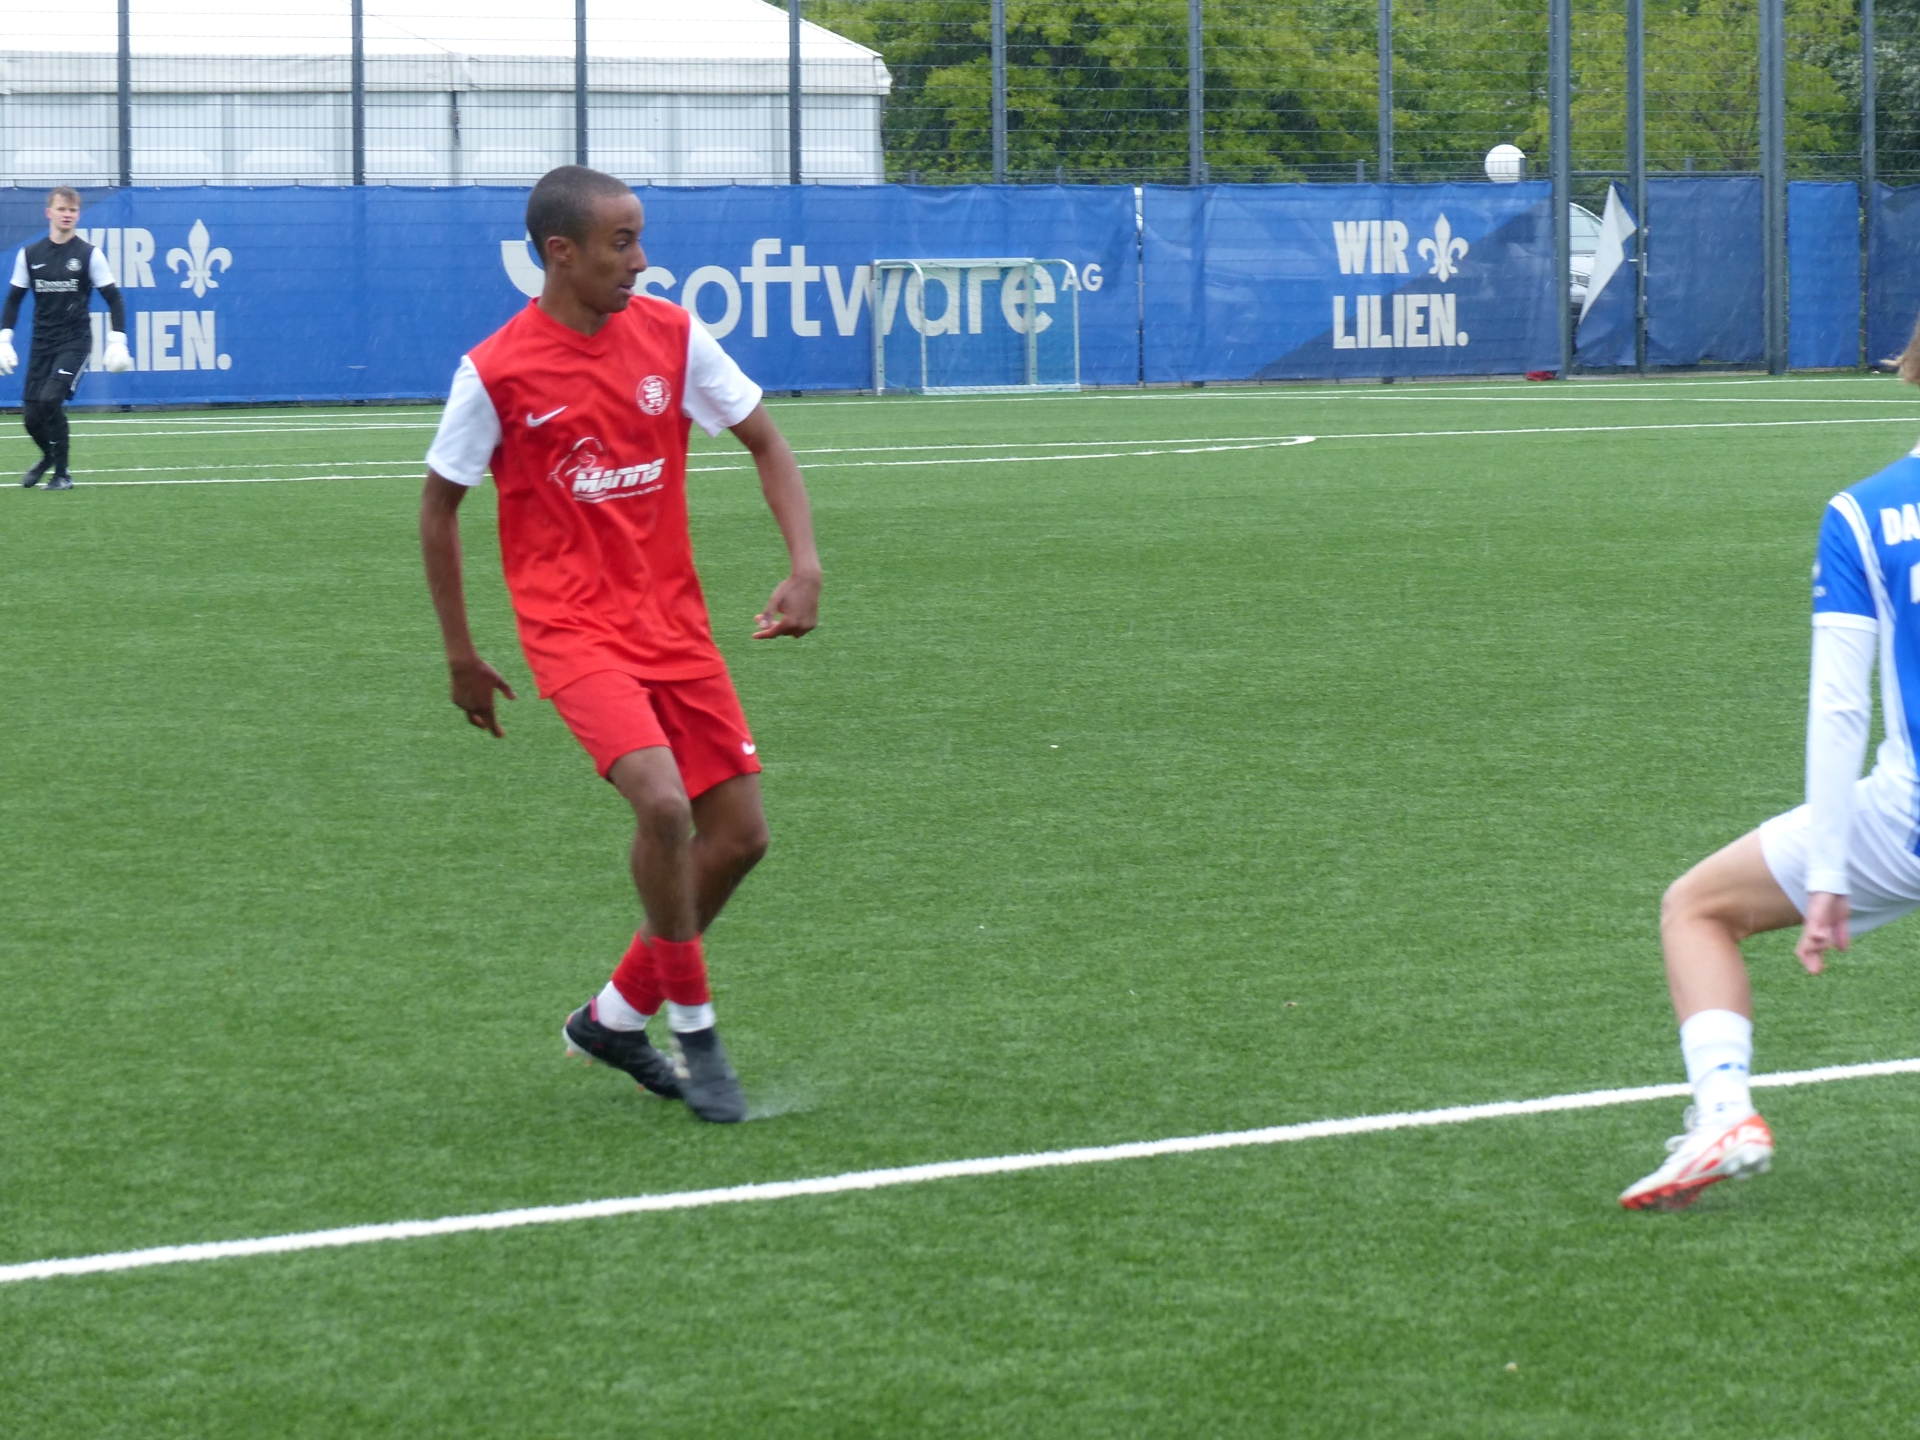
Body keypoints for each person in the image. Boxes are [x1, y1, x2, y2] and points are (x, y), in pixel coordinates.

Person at [418, 166, 821, 1124]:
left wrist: (805, 564)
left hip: (674, 627)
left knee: (742, 837)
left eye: (639, 239)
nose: (641, 261)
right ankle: (696, 1034)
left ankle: (612, 1019)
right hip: (572, 632)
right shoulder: (497, 371)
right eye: (621, 243)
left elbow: (767, 442)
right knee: (663, 803)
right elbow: (438, 510)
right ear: (560, 253)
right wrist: (462, 655)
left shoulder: (674, 336)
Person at [1620, 321, 1920, 1210]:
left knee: (1697, 908)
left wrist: (1828, 871)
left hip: (1907, 821)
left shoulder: (1865, 512)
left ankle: (1724, 1112)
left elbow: (1840, 706)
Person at [0, 186, 134, 489]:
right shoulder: (30, 255)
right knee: (31, 418)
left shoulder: (89, 254)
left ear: (78, 215)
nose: (67, 215)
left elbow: (114, 298)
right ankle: (49, 457)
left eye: (72, 210)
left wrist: (118, 341)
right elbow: (13, 300)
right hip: (41, 344)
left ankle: (62, 474)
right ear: (49, 213)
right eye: (61, 209)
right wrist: (4, 340)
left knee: (50, 400)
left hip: (74, 342)